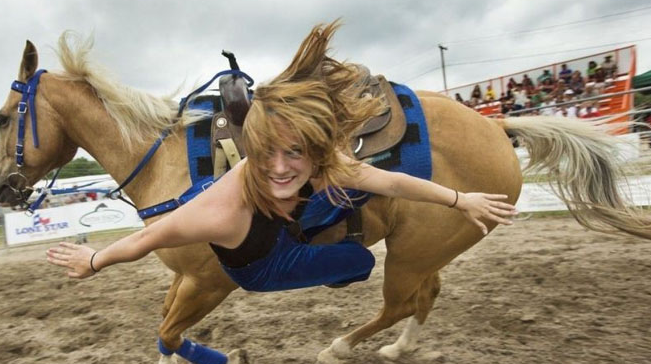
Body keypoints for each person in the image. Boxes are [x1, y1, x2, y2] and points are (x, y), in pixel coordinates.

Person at [47, 22, 517, 291]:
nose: (279, 166)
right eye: (267, 151)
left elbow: (391, 182)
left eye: (295, 152)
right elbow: (143, 242)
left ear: (312, 151)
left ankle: (308, 214)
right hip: (263, 264)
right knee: (359, 261)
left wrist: (461, 200)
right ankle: (314, 238)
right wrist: (93, 261)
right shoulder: (221, 212)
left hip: (286, 215)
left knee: (351, 185)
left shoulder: (319, 165)